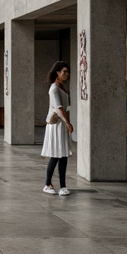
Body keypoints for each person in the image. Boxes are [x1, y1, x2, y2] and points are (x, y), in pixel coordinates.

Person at [41, 60, 75, 195]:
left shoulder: (61, 87)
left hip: (61, 125)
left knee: (63, 156)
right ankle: (47, 184)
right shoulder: (54, 88)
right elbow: (59, 108)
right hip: (56, 125)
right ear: (57, 73)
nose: (66, 74)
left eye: (67, 72)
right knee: (56, 156)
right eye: (64, 72)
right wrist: (68, 123)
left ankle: (63, 186)